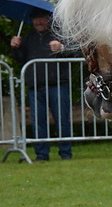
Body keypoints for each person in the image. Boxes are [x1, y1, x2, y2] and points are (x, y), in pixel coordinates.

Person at [10, 10, 77, 161]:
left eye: (41, 19)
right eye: (35, 19)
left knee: (62, 120)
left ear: (49, 19)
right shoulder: (27, 39)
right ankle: (41, 154)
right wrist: (15, 47)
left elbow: (75, 53)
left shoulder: (60, 36)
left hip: (57, 85)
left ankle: (65, 153)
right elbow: (20, 59)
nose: (38, 22)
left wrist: (62, 48)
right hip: (35, 87)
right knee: (38, 123)